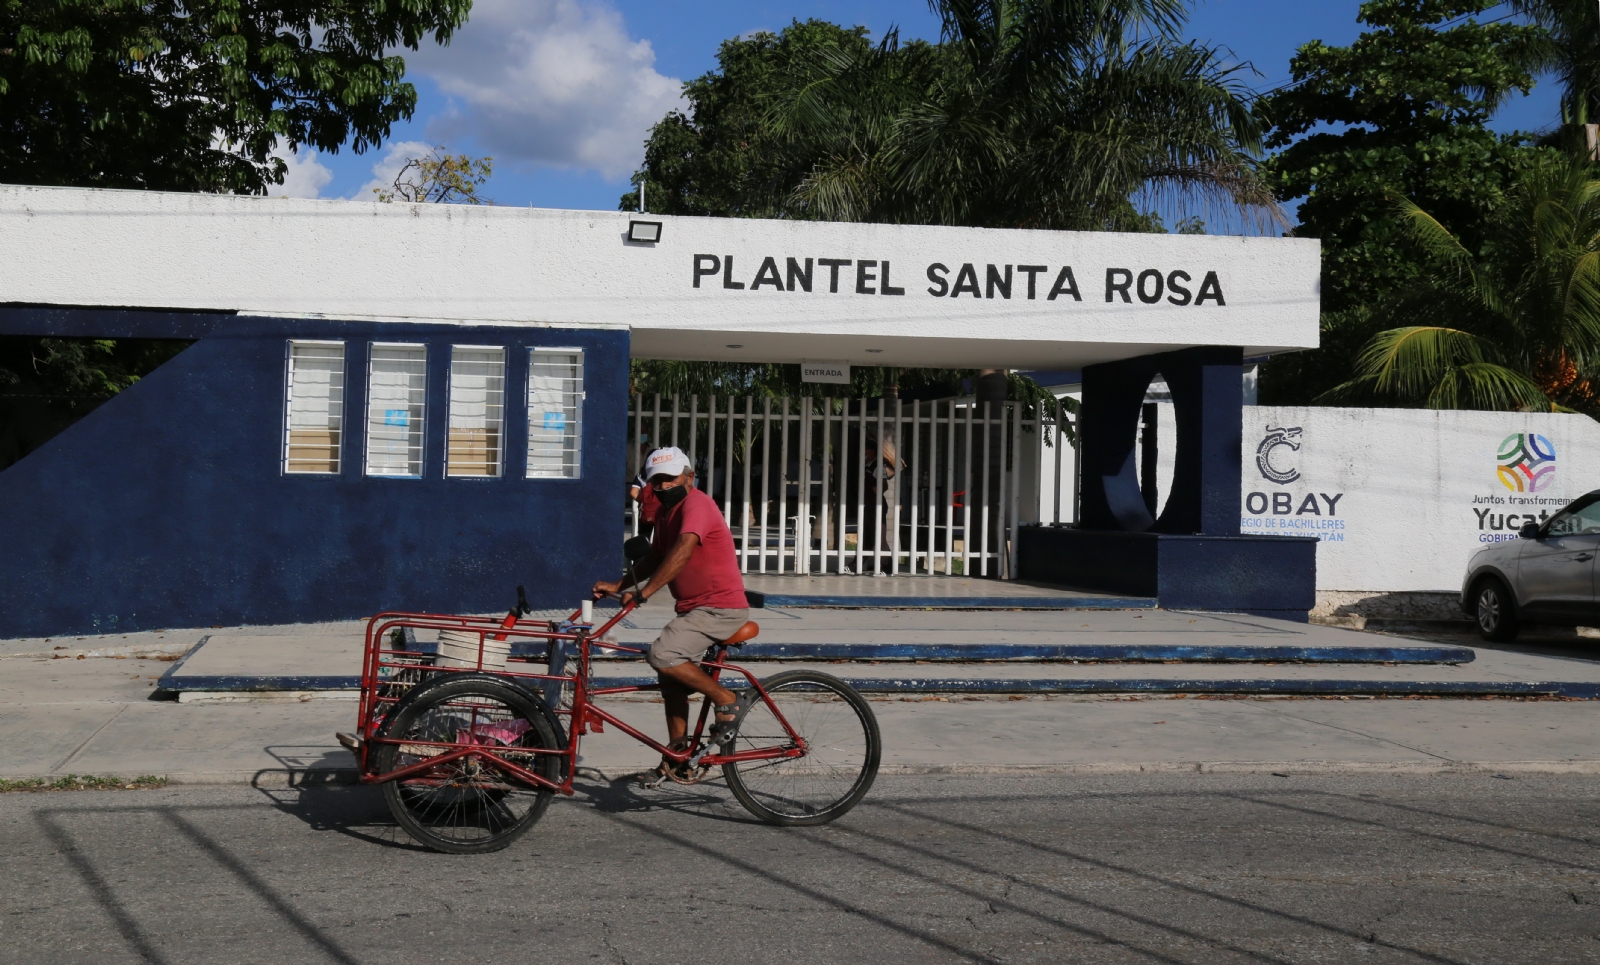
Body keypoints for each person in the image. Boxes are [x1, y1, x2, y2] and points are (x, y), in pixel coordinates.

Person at [592, 446, 749, 786]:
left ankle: (726, 699)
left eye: (669, 478)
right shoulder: (665, 514)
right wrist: (621, 584)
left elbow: (683, 549)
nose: (662, 486)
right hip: (694, 609)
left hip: (720, 607)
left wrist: (647, 592)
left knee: (662, 653)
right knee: (670, 678)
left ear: (689, 477)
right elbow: (655, 557)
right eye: (656, 481)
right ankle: (679, 755)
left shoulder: (697, 504)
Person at [628, 444, 660, 537]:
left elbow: (633, 492)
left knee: (644, 537)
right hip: (661, 512)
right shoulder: (663, 475)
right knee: (659, 539)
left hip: (647, 512)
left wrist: (644, 501)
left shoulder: (642, 475)